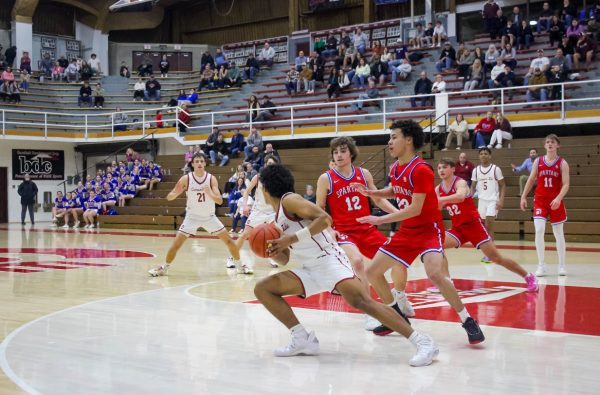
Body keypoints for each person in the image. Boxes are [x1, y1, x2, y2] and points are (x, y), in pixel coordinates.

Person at [255, 164, 439, 366]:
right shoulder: (276, 217)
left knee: (363, 302)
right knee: (263, 289)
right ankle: (302, 339)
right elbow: (286, 259)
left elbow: (325, 219)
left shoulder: (290, 200)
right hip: (310, 269)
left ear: (265, 189)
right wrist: (273, 252)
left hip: (329, 260)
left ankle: (423, 342)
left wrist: (290, 240)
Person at [352, 120, 484, 344]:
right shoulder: (395, 168)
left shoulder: (422, 169)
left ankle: (468, 320)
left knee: (434, 273)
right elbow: (396, 189)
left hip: (428, 230)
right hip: (407, 231)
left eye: (394, 137)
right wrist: (372, 192)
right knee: (373, 272)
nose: (390, 142)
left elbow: (415, 208)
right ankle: (396, 316)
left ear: (408, 140)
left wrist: (380, 218)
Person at [316, 136, 414, 331]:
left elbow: (378, 200)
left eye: (342, 151)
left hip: (367, 228)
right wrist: (329, 229)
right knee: (358, 262)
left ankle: (400, 297)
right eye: (335, 152)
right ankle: (371, 312)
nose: (338, 155)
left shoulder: (364, 174)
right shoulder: (325, 178)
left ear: (351, 153)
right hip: (344, 232)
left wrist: (400, 214)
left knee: (399, 260)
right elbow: (319, 209)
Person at [436, 159, 538, 291]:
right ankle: (446, 282)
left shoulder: (460, 183)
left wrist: (441, 200)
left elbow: (460, 196)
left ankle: (528, 276)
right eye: (439, 168)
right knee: (437, 246)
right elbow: (430, 205)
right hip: (458, 229)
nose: (441, 170)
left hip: (474, 226)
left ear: (453, 169)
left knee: (496, 258)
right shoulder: (438, 189)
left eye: (444, 167)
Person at [148, 153, 242, 276]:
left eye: (201, 161)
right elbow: (170, 196)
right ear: (192, 164)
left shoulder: (211, 179)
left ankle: (241, 267)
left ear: (204, 163)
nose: (199, 163)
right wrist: (175, 193)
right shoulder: (186, 178)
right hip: (192, 217)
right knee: (176, 244)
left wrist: (209, 192)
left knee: (229, 241)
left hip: (209, 217)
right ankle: (164, 268)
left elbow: (219, 200)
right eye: (196, 161)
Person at [521, 134, 570, 277]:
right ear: (544, 145)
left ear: (557, 145)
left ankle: (561, 265)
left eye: (552, 142)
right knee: (539, 229)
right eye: (547, 142)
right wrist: (523, 196)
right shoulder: (538, 161)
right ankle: (541, 265)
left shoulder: (562, 163)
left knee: (558, 233)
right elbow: (530, 179)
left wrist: (559, 198)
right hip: (540, 201)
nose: (550, 144)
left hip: (555, 201)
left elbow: (566, 184)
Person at [227, 154, 281, 274]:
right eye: (268, 164)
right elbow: (246, 192)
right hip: (258, 211)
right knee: (244, 234)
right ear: (265, 165)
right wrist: (245, 205)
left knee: (274, 235)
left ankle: (271, 256)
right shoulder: (258, 177)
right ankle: (231, 258)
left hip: (271, 213)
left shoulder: (278, 180)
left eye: (272, 164)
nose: (270, 166)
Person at [471, 147, 505, 264]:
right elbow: (473, 187)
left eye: (486, 153)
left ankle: (491, 254)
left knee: (489, 225)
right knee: (483, 228)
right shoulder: (475, 170)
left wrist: (501, 200)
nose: (483, 155)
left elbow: (503, 185)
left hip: (493, 200)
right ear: (479, 156)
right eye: (481, 154)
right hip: (482, 201)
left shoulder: (496, 169)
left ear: (490, 156)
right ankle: (490, 251)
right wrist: (468, 198)